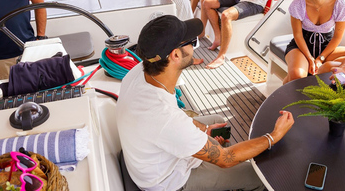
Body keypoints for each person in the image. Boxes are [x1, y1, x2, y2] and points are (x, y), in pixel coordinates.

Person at [116, 15, 295, 191]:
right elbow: (226, 159)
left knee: (216, 121)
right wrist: (274, 136)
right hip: (169, 181)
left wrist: (202, 130)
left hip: (152, 158)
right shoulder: (164, 116)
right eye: (190, 41)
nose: (194, 44)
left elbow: (173, 121)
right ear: (176, 54)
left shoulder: (139, 72)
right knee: (258, 177)